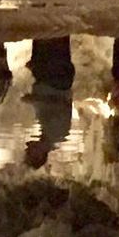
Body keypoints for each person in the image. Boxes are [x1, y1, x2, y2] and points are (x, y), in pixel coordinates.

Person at [24, 36, 75, 168]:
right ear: (39, 155)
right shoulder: (58, 133)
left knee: (43, 37)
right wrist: (36, 99)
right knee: (52, 38)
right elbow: (62, 103)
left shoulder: (47, 132)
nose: (27, 149)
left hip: (48, 76)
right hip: (55, 76)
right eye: (29, 153)